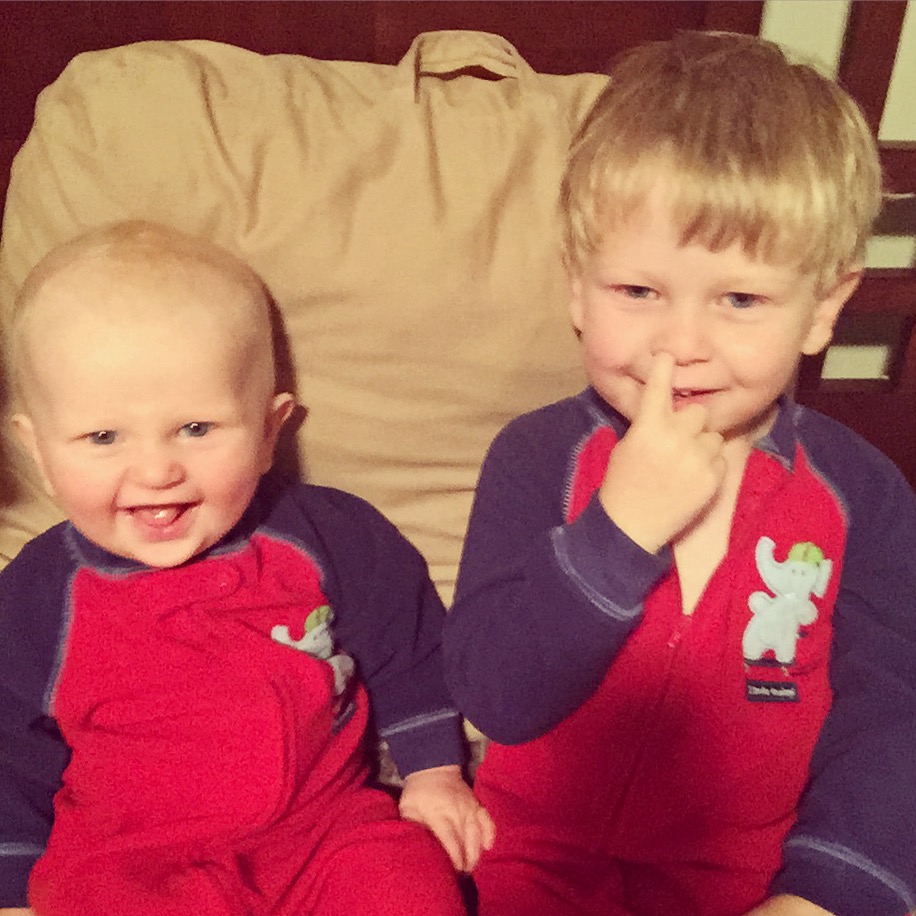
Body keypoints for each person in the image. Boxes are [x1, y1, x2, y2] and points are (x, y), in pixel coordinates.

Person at [444, 30, 916, 916]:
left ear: (823, 308)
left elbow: (894, 719)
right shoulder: (536, 457)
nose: (682, 345)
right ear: (577, 288)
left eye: (740, 299)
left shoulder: (864, 495)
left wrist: (826, 890)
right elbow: (495, 695)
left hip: (752, 879)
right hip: (537, 861)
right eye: (638, 292)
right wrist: (617, 532)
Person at [0, 220, 494, 916]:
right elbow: (8, 751)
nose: (156, 470)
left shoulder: (330, 537)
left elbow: (408, 647)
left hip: (325, 835)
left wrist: (434, 772)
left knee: (407, 879)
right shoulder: (36, 596)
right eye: (103, 436)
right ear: (40, 454)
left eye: (196, 428)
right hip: (131, 863)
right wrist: (12, 882)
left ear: (268, 432)